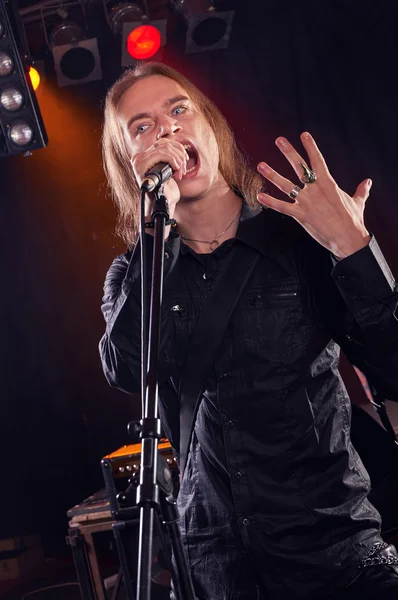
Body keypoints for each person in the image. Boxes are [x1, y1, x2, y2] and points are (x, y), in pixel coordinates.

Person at [99, 62, 398, 599]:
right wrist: (155, 237)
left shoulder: (299, 240)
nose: (165, 129)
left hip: (333, 554)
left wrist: (355, 250)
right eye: (141, 127)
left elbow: (395, 367)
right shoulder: (132, 275)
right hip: (214, 568)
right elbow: (126, 369)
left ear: (211, 128)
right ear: (130, 162)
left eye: (177, 109)